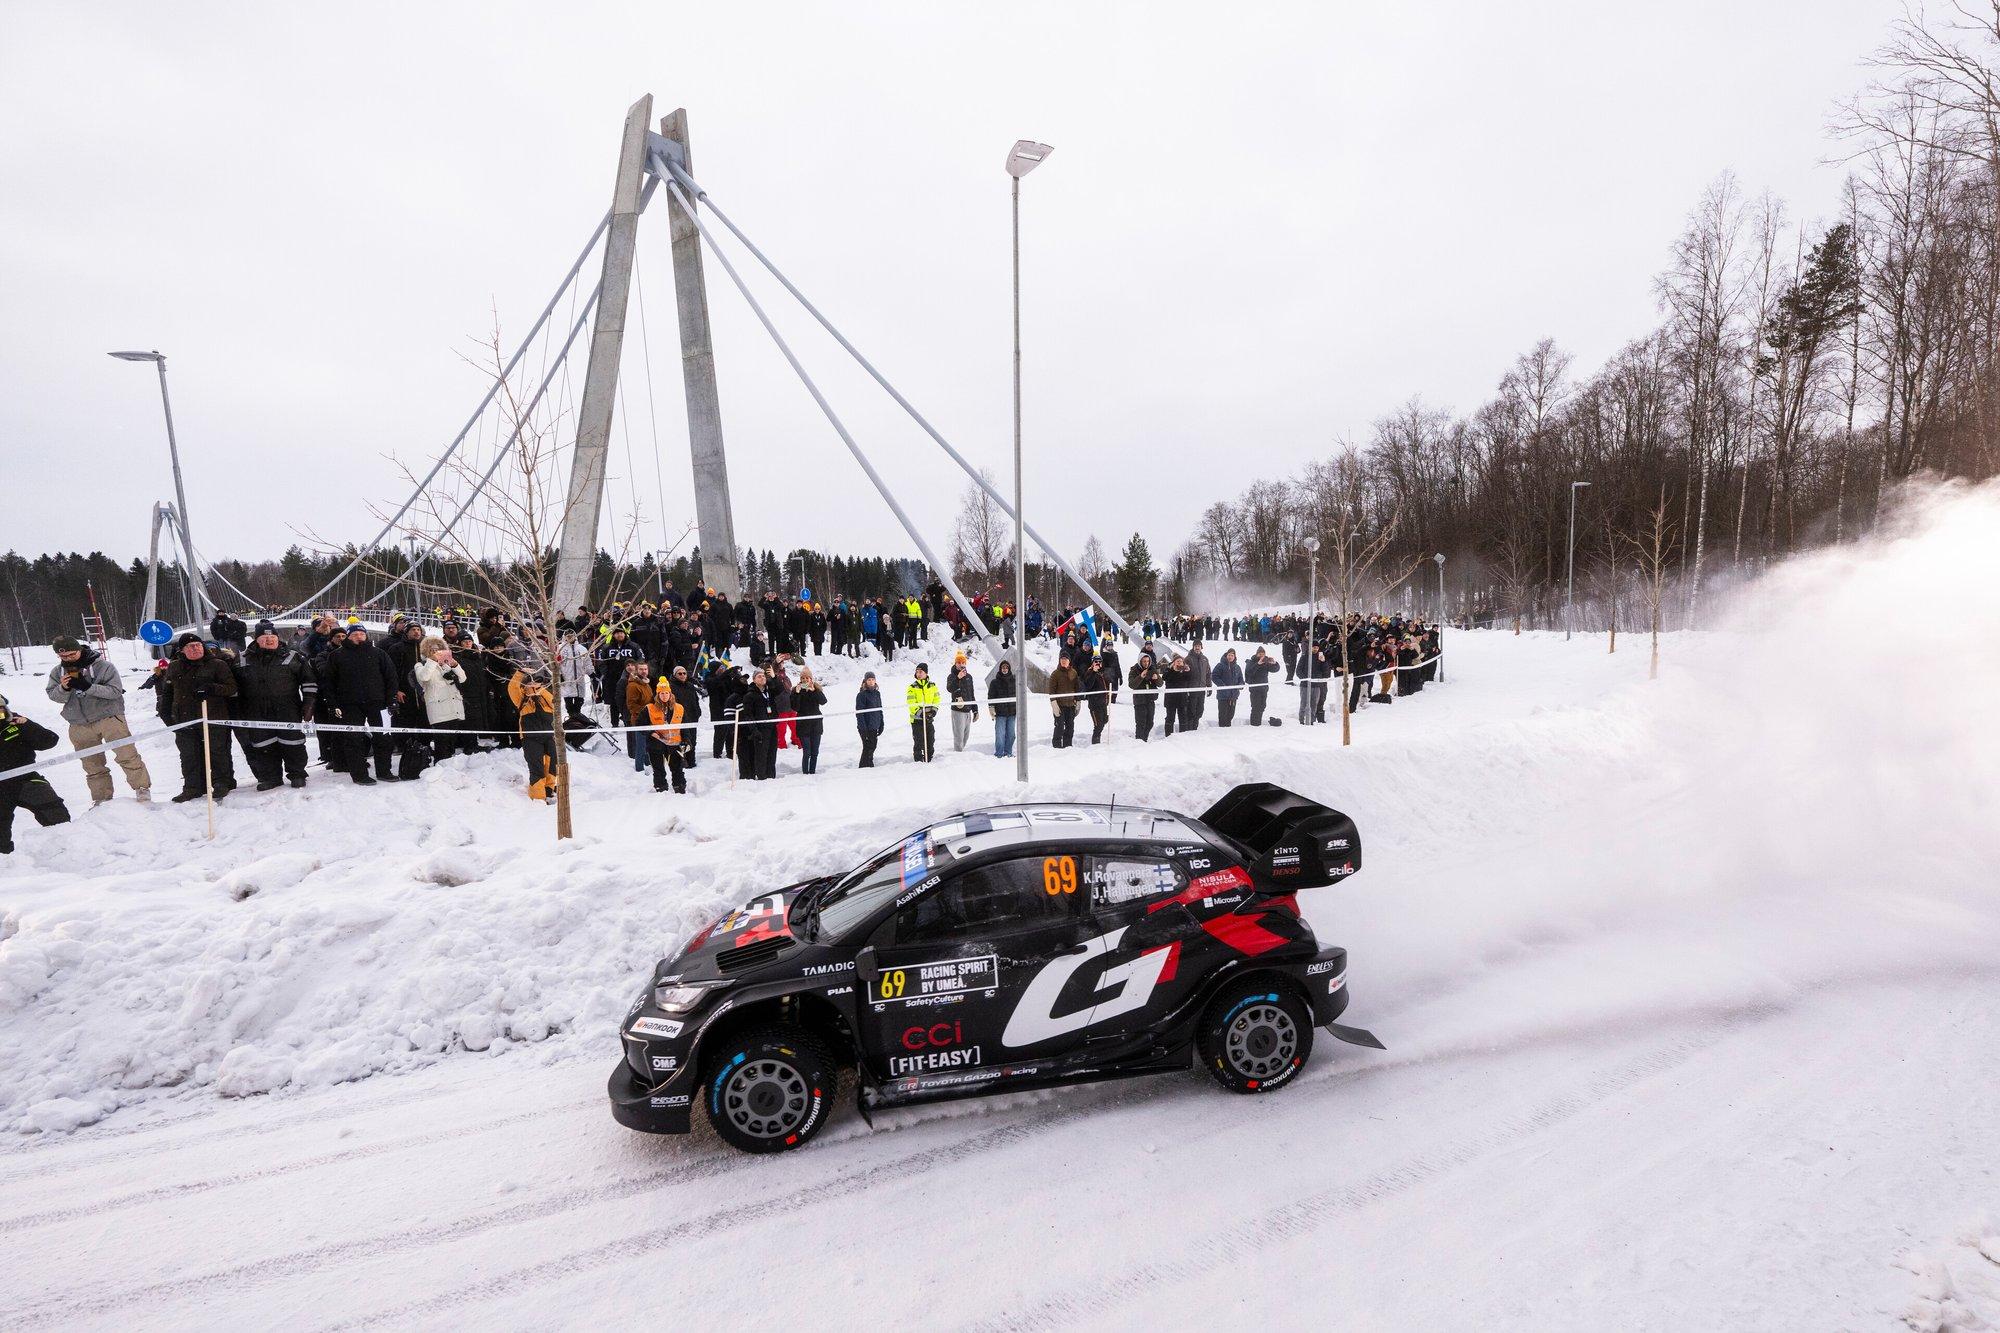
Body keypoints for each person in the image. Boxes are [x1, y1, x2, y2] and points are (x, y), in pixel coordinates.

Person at [45, 634, 151, 804]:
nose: (68, 658)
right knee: (91, 764)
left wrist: (88, 687)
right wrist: (63, 688)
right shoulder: (57, 672)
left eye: (72, 654)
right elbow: (53, 695)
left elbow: (115, 691)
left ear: (80, 649)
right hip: (78, 722)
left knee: (127, 754)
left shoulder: (104, 666)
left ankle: (142, 789)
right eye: (63, 656)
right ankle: (101, 799)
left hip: (108, 717)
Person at [232, 620, 318, 789]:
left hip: (288, 708)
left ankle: (297, 774)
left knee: (292, 743)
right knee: (263, 745)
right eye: (264, 636)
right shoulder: (241, 658)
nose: (269, 639)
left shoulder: (293, 656)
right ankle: (271, 777)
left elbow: (309, 682)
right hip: (256, 711)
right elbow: (233, 687)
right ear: (256, 639)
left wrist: (309, 704)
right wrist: (238, 710)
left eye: (272, 636)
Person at [161, 633, 238, 801]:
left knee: (218, 752)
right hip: (184, 719)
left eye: (198, 645)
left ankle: (222, 783)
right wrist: (167, 716)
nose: (195, 648)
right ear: (182, 650)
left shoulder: (218, 665)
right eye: (190, 646)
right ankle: (193, 786)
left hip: (214, 717)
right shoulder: (174, 667)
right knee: (189, 755)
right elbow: (166, 694)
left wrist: (211, 688)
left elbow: (231, 688)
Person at [322, 623, 399, 784]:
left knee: (384, 737)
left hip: (378, 703)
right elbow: (328, 682)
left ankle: (384, 771)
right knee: (353, 740)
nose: (359, 637)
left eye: (361, 634)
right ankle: (359, 775)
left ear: (366, 636)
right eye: (355, 634)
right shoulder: (337, 655)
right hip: (349, 704)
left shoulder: (379, 653)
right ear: (349, 636)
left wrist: (391, 699)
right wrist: (332, 704)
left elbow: (391, 677)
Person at [0, 696, 70, 854]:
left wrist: (27, 726)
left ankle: (64, 851)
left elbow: (50, 741)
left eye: (1, 710)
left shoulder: (16, 722)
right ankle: (7, 864)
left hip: (26, 779)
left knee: (57, 815)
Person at [507, 663, 561, 802]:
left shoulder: (544, 696)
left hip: (549, 735)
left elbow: (555, 703)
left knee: (552, 764)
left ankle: (549, 789)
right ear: (524, 686)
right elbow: (512, 687)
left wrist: (540, 690)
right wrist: (520, 672)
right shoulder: (521, 699)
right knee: (536, 766)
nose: (534, 685)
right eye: (531, 682)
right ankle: (538, 797)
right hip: (530, 738)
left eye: (537, 682)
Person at [413, 637, 471, 761]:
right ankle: (440, 766)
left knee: (451, 741)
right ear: (427, 651)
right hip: (438, 708)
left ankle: (449, 767)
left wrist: (455, 665)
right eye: (432, 650)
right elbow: (424, 678)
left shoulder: (446, 664)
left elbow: (462, 679)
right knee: (441, 741)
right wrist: (432, 661)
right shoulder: (421, 665)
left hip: (454, 706)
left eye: (438, 649)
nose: (436, 652)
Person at [644, 679, 688, 794]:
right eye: (662, 693)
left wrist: (686, 741)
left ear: (670, 694)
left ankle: (680, 788)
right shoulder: (649, 708)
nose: (664, 696)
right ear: (658, 695)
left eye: (666, 693)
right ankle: (661, 789)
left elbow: (685, 726)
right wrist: (651, 732)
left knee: (677, 769)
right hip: (656, 744)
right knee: (658, 770)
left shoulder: (679, 708)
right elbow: (640, 725)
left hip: (674, 744)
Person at [737, 668, 774, 780]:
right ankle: (762, 777)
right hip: (760, 729)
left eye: (763, 676)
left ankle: (771, 776)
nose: (762, 677)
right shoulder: (750, 695)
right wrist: (754, 730)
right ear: (754, 679)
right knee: (761, 755)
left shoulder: (769, 691)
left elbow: (780, 689)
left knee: (772, 754)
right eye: (759, 676)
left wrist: (774, 677)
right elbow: (748, 715)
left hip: (771, 727)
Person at [793, 666, 827, 774]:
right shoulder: (796, 690)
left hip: (816, 725)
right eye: (803, 678)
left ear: (811, 679)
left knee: (815, 752)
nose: (805, 680)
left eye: (807, 678)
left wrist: (814, 691)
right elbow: (795, 707)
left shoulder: (816, 689)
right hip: (803, 725)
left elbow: (823, 701)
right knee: (806, 752)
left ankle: (812, 772)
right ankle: (805, 773)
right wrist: (797, 694)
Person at [668, 664, 702, 770]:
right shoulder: (671, 687)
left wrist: (698, 712)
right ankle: (681, 762)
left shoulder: (690, 686)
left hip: (692, 717)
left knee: (692, 739)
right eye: (680, 673)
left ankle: (691, 761)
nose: (682, 675)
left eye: (684, 673)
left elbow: (695, 700)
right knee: (681, 741)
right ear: (675, 675)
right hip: (679, 719)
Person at [622, 662, 653, 774]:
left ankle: (648, 764)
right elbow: (632, 705)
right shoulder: (633, 685)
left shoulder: (646, 684)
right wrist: (646, 712)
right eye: (641, 669)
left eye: (645, 669)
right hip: (639, 719)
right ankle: (639, 769)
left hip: (649, 719)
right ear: (636, 670)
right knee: (640, 746)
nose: (644, 671)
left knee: (647, 745)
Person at [945, 653, 978, 752]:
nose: (961, 664)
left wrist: (975, 710)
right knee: (959, 737)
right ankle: (958, 756)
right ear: (955, 664)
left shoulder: (969, 677)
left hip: (968, 710)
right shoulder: (951, 676)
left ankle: (960, 753)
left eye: (963, 662)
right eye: (959, 662)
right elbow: (949, 688)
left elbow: (971, 693)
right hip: (958, 710)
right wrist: (958, 678)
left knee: (966, 736)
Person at [907, 663, 940, 762]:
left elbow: (937, 699)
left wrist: (933, 712)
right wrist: (921, 713)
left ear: (926, 673)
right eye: (917, 672)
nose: (918, 674)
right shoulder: (912, 687)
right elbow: (911, 703)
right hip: (917, 720)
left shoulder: (932, 686)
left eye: (921, 672)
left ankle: (929, 758)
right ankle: (918, 761)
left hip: (929, 718)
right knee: (919, 741)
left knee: (930, 740)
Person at [1046, 654, 1079, 749]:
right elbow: (1051, 691)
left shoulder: (1073, 673)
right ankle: (1056, 746)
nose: (1063, 661)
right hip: (1059, 705)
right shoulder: (1055, 674)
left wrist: (1078, 701)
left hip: (1070, 705)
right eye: (1062, 659)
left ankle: (1068, 745)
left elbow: (1077, 688)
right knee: (1059, 726)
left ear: (1069, 661)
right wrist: (1054, 704)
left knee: (1070, 727)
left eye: (1066, 659)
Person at [989, 659, 1018, 759]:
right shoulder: (994, 682)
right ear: (1000, 669)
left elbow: (1019, 696)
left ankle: (1008, 752)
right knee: (1000, 735)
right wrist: (991, 708)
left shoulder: (1015, 681)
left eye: (1006, 667)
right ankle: (999, 754)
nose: (1004, 669)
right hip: (1000, 714)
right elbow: (991, 696)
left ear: (1009, 669)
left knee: (1011, 735)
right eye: (1003, 667)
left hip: (1012, 713)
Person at [855, 672, 884, 768]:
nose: (871, 681)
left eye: (872, 679)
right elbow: (859, 713)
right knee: (867, 747)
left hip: (874, 725)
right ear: (865, 681)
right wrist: (863, 729)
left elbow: (879, 709)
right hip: (865, 726)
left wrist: (881, 723)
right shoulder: (861, 695)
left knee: (873, 746)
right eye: (869, 680)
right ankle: (864, 766)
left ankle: (869, 763)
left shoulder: (877, 694)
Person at [1080, 655, 1111, 745]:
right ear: (1092, 663)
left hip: (1103, 703)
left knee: (1105, 720)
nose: (1098, 664)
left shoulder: (1103, 673)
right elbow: (1088, 685)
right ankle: (1096, 743)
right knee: (1098, 725)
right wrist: (1093, 672)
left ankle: (1098, 739)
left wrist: (1109, 696)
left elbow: (1107, 684)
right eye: (1096, 662)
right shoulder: (1089, 672)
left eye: (1099, 662)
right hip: (1094, 704)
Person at [1161, 653, 1192, 737]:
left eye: (1181, 661)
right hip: (1170, 699)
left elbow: (1189, 679)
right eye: (1177, 661)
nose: (1179, 663)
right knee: (1170, 718)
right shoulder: (1168, 669)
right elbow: (1164, 678)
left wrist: (1188, 671)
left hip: (1182, 698)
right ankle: (1168, 735)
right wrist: (1173, 670)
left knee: (1183, 718)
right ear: (1174, 662)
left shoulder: (1185, 670)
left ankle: (1183, 735)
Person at [1212, 648, 1243, 728]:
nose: (1230, 657)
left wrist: (1240, 685)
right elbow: (1214, 676)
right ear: (1226, 655)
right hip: (1223, 695)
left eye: (1232, 655)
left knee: (1231, 715)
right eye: (1229, 655)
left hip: (1233, 695)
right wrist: (1222, 686)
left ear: (1234, 657)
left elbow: (1241, 678)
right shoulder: (1220, 665)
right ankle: (1222, 730)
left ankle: (1228, 731)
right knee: (1223, 715)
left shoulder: (1237, 667)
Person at [1244, 646, 1276, 726]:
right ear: (1257, 654)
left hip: (1264, 688)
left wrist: (1274, 663)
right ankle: (1255, 724)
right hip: (1255, 689)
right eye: (1260, 654)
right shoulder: (1251, 662)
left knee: (1262, 706)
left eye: (1263, 654)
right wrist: (1258, 664)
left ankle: (1258, 723)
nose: (1261, 656)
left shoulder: (1266, 662)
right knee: (1256, 707)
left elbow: (1275, 669)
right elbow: (1249, 673)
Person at [1186, 641, 1212, 730]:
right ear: (1193, 647)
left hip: (1202, 688)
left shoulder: (1205, 659)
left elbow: (1208, 674)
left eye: (1199, 646)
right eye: (1196, 646)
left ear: (1201, 647)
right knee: (1191, 710)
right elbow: (1184, 674)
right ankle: (1189, 729)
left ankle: (1195, 728)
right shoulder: (1188, 659)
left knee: (1199, 710)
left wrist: (1209, 686)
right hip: (1192, 689)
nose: (1197, 648)